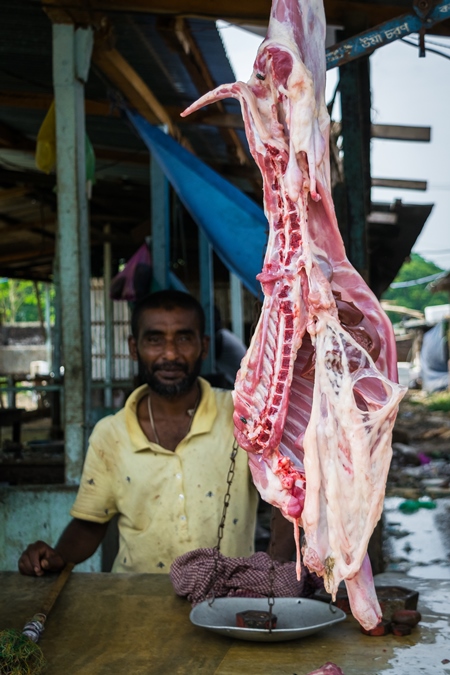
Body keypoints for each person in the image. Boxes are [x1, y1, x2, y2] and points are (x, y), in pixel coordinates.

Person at [18, 290, 260, 576]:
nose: (170, 354)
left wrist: (275, 566)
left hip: (229, 598)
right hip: (137, 601)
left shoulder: (243, 415)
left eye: (183, 338)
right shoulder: (111, 434)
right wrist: (56, 557)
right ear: (134, 348)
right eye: (155, 340)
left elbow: (285, 499)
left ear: (203, 346)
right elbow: (91, 523)